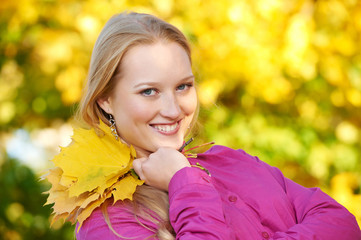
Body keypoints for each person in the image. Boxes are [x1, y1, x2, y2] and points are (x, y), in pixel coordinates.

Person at [45, 11, 361, 239]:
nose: (173, 109)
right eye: (149, 91)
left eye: (183, 86)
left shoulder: (233, 161)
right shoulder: (108, 219)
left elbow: (342, 223)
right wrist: (184, 181)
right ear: (105, 100)